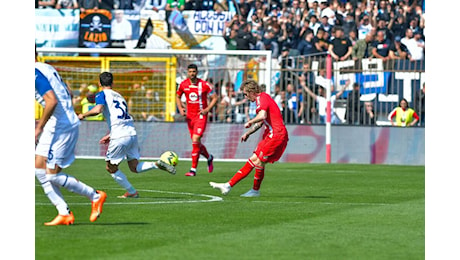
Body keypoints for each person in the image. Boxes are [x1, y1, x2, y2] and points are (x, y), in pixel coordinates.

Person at [78, 72, 176, 198]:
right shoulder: (119, 96)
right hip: (131, 133)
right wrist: (111, 135)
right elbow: (122, 117)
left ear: (99, 83)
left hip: (120, 135)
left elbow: (98, 110)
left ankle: (131, 191)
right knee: (134, 167)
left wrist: (82, 115)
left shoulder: (101, 94)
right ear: (112, 83)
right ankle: (157, 164)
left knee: (111, 168)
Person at [35, 51, 107, 226]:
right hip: (58, 122)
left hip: (62, 125)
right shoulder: (46, 67)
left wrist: (39, 127)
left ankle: (95, 195)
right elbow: (66, 90)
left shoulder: (33, 72)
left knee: (52, 176)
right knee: (38, 168)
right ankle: (63, 212)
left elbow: (51, 101)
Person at [209, 79, 289, 197]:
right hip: (271, 134)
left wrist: (250, 122)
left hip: (277, 135)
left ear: (252, 91)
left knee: (258, 161)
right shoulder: (262, 99)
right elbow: (261, 122)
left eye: (246, 94)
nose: (246, 97)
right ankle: (229, 186)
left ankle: (253, 190)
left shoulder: (261, 98)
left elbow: (262, 116)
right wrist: (248, 133)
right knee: (254, 159)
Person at [176, 64, 218, 176]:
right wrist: (180, 108)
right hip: (189, 117)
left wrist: (207, 109)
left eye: (194, 71)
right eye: (190, 71)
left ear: (197, 72)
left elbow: (215, 97)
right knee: (196, 142)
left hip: (201, 116)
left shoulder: (204, 85)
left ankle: (193, 170)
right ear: (187, 72)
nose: (192, 73)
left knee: (196, 138)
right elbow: (178, 96)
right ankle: (209, 157)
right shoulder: (183, 84)